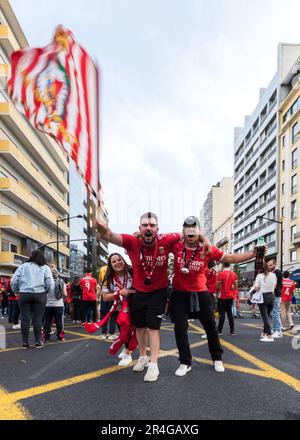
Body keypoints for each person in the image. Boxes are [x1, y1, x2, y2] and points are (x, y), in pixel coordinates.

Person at [95, 211, 212, 382]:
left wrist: (205, 239)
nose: (148, 228)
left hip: (158, 291)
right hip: (138, 291)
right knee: (140, 327)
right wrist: (100, 224)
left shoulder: (167, 239)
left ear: (157, 229)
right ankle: (142, 357)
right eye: (145, 225)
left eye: (152, 225)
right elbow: (108, 234)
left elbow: (190, 233)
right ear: (139, 228)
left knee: (153, 327)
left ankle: (154, 365)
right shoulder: (132, 241)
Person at [169, 216, 260, 377]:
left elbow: (230, 258)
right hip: (179, 293)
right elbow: (155, 242)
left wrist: (253, 253)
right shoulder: (175, 245)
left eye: (194, 228)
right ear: (183, 231)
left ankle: (217, 358)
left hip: (201, 292)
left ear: (199, 231)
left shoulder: (207, 249)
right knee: (180, 328)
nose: (190, 231)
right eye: (187, 228)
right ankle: (185, 362)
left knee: (210, 326)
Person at [11, 250, 54, 349]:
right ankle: (38, 341)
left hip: (24, 294)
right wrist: (45, 291)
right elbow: (49, 283)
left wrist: (17, 291)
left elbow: (14, 281)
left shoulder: (23, 266)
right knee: (37, 319)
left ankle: (25, 343)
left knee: (25, 319)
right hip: (40, 294)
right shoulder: (45, 268)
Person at [101, 253, 136, 366]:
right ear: (110, 265)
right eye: (114, 261)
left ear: (123, 260)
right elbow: (105, 297)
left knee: (135, 331)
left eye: (119, 260)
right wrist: (118, 293)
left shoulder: (132, 271)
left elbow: (141, 288)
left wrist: (129, 292)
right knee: (123, 331)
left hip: (135, 306)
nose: (117, 263)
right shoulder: (108, 277)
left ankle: (128, 353)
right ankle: (127, 350)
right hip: (119, 308)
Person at [253, 262, 277, 342]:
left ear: (260, 268)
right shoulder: (273, 275)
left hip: (263, 297)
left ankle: (269, 336)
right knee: (267, 316)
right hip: (272, 296)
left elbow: (256, 288)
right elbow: (275, 286)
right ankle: (264, 333)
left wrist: (258, 287)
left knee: (265, 317)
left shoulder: (259, 276)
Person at [43, 267, 67, 342]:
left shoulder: (46, 282)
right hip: (59, 305)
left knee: (47, 321)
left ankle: (46, 338)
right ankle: (60, 337)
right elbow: (65, 294)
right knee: (59, 321)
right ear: (57, 274)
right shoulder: (61, 282)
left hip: (48, 304)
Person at [216, 263, 238, 336]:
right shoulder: (234, 274)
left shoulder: (221, 274)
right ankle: (232, 331)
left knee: (222, 314)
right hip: (230, 296)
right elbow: (236, 285)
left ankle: (219, 331)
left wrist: (217, 293)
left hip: (222, 296)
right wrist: (232, 289)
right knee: (229, 313)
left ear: (223, 266)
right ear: (229, 265)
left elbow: (218, 286)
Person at [266, 258, 283, 338]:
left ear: (275, 265)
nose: (269, 267)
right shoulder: (274, 272)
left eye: (270, 265)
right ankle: (276, 329)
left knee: (275, 312)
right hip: (274, 294)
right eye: (268, 265)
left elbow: (273, 284)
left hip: (276, 294)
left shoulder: (277, 272)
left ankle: (278, 331)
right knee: (274, 312)